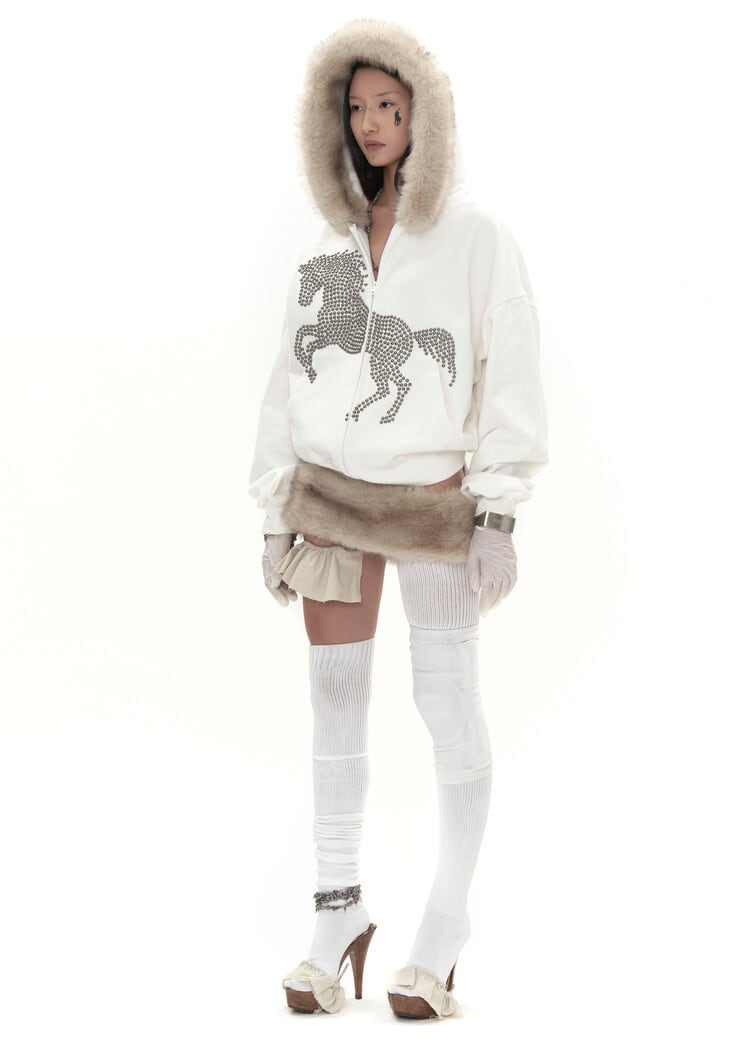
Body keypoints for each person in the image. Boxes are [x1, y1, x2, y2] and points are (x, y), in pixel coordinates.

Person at [248, 19, 548, 1019]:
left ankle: (444, 929)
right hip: (331, 502)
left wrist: (497, 510)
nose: (372, 124)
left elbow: (511, 366)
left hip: (428, 507)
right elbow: (287, 379)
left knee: (445, 702)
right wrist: (274, 510)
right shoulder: (327, 248)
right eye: (356, 108)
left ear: (426, 113)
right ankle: (337, 914)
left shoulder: (475, 236)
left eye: (389, 105)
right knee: (334, 706)